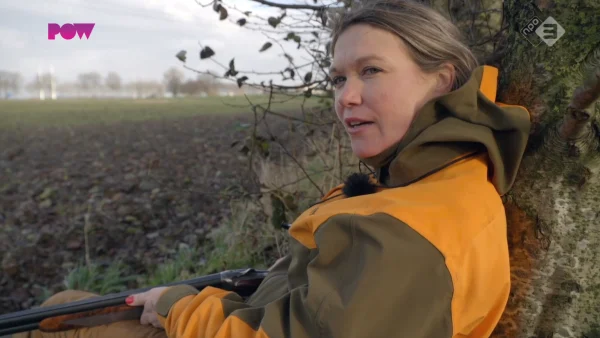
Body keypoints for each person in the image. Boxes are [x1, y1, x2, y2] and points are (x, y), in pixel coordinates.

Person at [14, 0, 531, 337]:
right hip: (251, 313)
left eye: (371, 71)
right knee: (64, 307)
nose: (346, 98)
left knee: (63, 325)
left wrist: (177, 306)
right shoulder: (423, 181)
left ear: (441, 80)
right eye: (336, 79)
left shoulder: (412, 234)